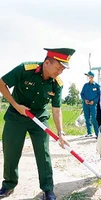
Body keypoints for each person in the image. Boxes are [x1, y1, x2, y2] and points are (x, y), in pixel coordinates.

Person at [0, 48, 75, 200]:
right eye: (58, 67)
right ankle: (8, 185)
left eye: (63, 69)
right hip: (16, 116)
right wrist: (16, 105)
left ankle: (48, 189)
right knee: (11, 152)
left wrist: (61, 133)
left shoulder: (57, 84)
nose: (60, 71)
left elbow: (56, 110)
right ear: (47, 62)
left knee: (43, 153)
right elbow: (1, 83)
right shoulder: (25, 69)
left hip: (38, 119)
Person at [80, 71, 100, 138]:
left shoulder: (97, 86)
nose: (88, 78)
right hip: (86, 105)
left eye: (89, 76)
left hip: (93, 105)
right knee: (87, 118)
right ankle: (89, 133)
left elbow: (99, 95)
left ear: (92, 77)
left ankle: (97, 134)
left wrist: (94, 101)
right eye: (88, 76)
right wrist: (84, 100)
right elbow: (82, 94)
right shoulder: (85, 85)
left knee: (94, 118)